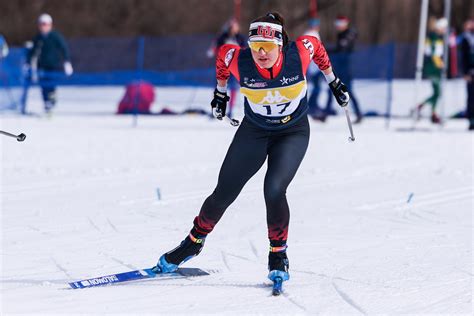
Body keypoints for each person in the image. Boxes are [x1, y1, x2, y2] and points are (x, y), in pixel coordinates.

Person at [152, 12, 350, 286]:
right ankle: (192, 243)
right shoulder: (240, 60)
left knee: (274, 188)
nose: (261, 53)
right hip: (254, 131)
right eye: (255, 46)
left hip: (291, 132)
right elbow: (223, 55)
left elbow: (316, 47)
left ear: (280, 45)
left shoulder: (297, 55)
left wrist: (334, 81)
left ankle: (278, 254)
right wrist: (220, 92)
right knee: (223, 193)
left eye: (268, 47)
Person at [26, 14, 73, 114]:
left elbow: (63, 48)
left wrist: (67, 62)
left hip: (53, 66)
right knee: (43, 86)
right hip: (41, 66)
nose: (43, 26)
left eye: (45, 24)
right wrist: (28, 63)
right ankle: (47, 106)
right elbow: (32, 52)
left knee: (51, 86)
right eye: (41, 24)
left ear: (50, 25)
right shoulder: (38, 37)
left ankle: (51, 103)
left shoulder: (55, 36)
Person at [324, 15, 362, 123]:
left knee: (348, 91)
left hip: (346, 67)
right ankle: (325, 114)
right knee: (331, 88)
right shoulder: (341, 34)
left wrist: (325, 50)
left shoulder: (349, 34)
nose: (338, 26)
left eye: (340, 24)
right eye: (337, 24)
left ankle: (359, 113)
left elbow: (341, 48)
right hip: (339, 66)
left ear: (346, 24)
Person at [207, 18, 246, 118]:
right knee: (219, 87)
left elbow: (245, 51)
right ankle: (216, 108)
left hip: (234, 67)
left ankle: (230, 110)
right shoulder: (222, 37)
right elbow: (215, 49)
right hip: (223, 66)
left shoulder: (240, 38)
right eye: (232, 26)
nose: (233, 28)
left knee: (233, 87)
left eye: (235, 26)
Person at [414, 17, 448, 124]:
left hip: (434, 68)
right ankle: (420, 106)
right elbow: (434, 54)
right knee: (438, 92)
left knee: (437, 92)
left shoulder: (437, 37)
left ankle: (433, 114)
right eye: (444, 28)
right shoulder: (434, 37)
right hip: (433, 68)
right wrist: (440, 64)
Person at [304, 18, 327, 122]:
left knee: (316, 88)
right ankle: (311, 107)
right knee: (315, 88)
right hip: (312, 66)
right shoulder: (311, 33)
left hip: (315, 66)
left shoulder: (314, 33)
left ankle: (313, 106)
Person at [460, 18, 474, 130]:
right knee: (471, 97)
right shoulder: (466, 38)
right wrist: (465, 72)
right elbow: (463, 56)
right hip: (470, 73)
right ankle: (471, 121)